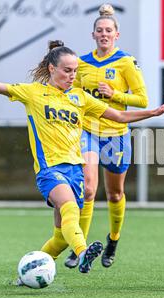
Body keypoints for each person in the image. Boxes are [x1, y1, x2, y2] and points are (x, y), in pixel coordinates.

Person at [0, 40, 164, 277]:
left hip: (75, 171)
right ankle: (82, 253)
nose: (72, 75)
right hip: (50, 170)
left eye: (75, 71)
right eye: (67, 70)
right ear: (52, 68)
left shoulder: (81, 98)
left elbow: (119, 117)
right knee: (70, 209)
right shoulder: (34, 93)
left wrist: (153, 113)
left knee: (60, 238)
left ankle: (26, 273)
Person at [64, 4, 149, 269]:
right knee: (88, 190)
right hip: (88, 131)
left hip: (116, 134)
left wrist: (115, 95)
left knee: (114, 194)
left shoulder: (126, 62)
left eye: (108, 30)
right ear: (93, 35)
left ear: (116, 35)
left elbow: (143, 100)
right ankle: (82, 248)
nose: (104, 34)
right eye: (99, 30)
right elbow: (72, 93)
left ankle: (113, 239)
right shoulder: (82, 63)